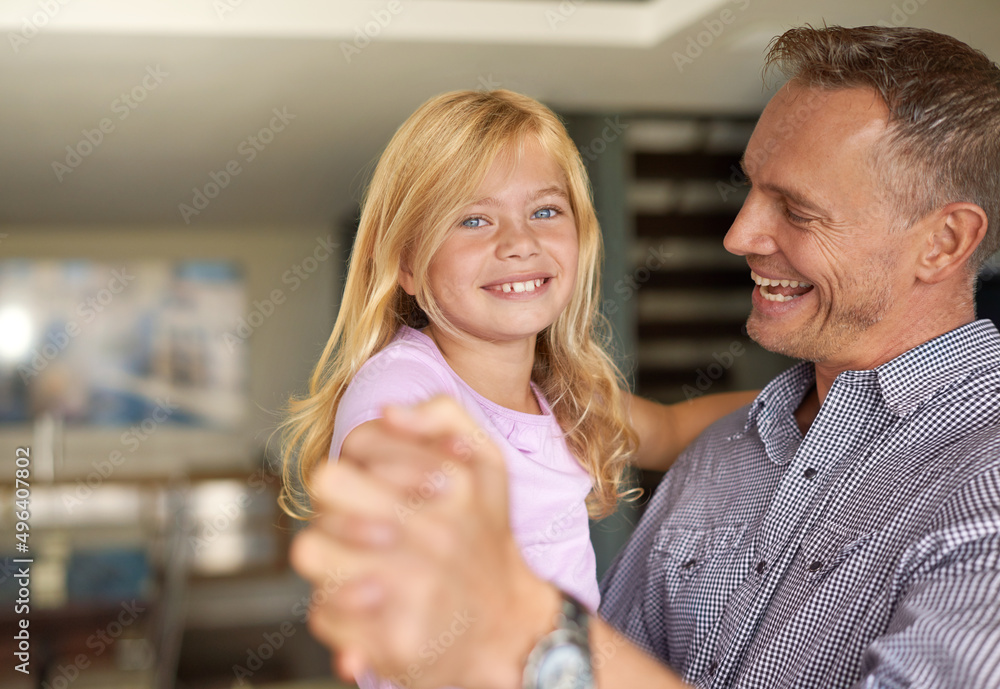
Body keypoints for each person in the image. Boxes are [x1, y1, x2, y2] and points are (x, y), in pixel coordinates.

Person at [290, 25, 1000, 689]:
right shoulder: (731, 450)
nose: (738, 233)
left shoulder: (981, 486)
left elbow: (660, 429)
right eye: (749, 187)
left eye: (797, 209)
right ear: (407, 264)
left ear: (942, 244)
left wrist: (533, 634)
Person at [278, 89, 754, 689]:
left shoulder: (561, 394)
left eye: (546, 211)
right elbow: (392, 476)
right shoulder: (405, 388)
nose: (519, 241)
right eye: (474, 219)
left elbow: (671, 429)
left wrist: (825, 392)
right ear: (406, 263)